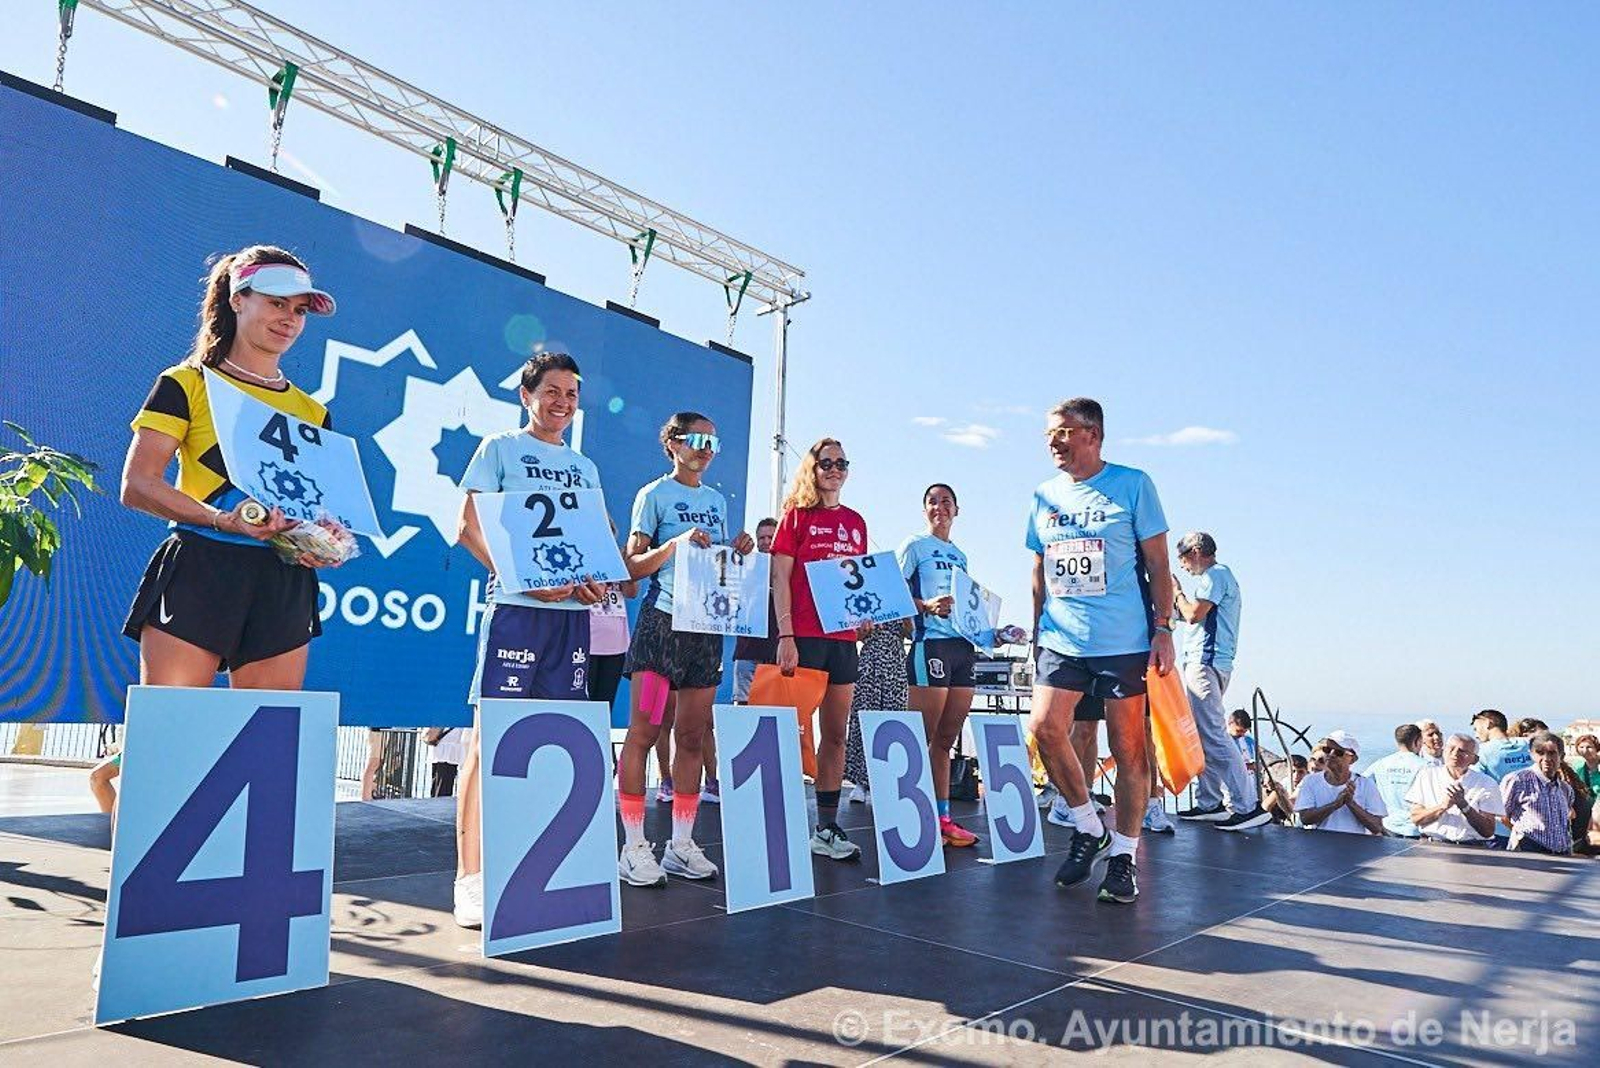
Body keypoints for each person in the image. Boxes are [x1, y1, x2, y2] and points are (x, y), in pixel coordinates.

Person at [121, 246, 343, 691]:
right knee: (172, 735)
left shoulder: (313, 412)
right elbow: (138, 485)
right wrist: (222, 519)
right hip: (202, 565)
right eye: (276, 303)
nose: (289, 319)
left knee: (263, 741)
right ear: (237, 299)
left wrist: (322, 540)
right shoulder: (186, 383)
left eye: (300, 310)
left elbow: (312, 507)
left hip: (283, 580)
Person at [453, 351, 610, 926]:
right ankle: (469, 876)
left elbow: (593, 543)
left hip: (569, 619)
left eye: (571, 393)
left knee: (553, 738)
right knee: (488, 737)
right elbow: (468, 527)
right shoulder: (498, 448)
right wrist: (523, 579)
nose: (562, 402)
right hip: (517, 612)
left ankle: (529, 860)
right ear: (527, 395)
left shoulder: (585, 467)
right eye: (551, 391)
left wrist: (592, 584)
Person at [1026, 398, 1175, 904]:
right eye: (1049, 433)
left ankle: (1124, 858)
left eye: (1063, 432)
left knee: (1128, 749)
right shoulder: (1043, 495)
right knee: (1044, 727)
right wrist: (1034, 632)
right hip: (1061, 637)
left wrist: (1163, 628)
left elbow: (1158, 562)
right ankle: (1089, 826)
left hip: (1123, 640)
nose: (1052, 441)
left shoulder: (1133, 484)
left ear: (1092, 434)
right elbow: (1039, 568)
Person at [614, 412, 754, 886]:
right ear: (673, 443)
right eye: (696, 440)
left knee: (693, 737)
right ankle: (633, 847)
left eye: (714, 442)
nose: (705, 449)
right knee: (645, 732)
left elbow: (716, 565)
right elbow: (631, 568)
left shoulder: (716, 501)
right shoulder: (653, 495)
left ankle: (680, 844)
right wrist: (673, 544)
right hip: (662, 625)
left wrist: (738, 550)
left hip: (706, 628)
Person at [772, 438, 869, 861]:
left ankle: (826, 827)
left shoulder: (857, 522)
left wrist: (866, 616)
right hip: (804, 639)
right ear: (811, 468)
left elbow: (859, 583)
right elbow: (780, 580)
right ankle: (775, 823)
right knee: (790, 736)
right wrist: (787, 636)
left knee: (835, 737)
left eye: (840, 463)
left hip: (843, 641)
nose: (833, 469)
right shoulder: (795, 518)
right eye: (825, 462)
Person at [898, 483, 981, 847]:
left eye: (946, 501)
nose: (940, 507)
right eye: (932, 501)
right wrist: (926, 606)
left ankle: (942, 817)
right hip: (929, 643)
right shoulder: (914, 547)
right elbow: (893, 591)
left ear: (956, 510)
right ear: (924, 509)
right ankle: (907, 816)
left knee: (946, 739)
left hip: (962, 648)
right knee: (920, 736)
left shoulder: (960, 555)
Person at [1170, 531, 1264, 830]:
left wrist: (1177, 592)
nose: (1183, 565)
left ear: (1196, 551)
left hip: (1206, 663)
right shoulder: (1218, 578)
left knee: (1213, 734)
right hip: (1210, 663)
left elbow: (1193, 615)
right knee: (1201, 734)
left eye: (1183, 557)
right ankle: (1210, 802)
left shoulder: (1216, 575)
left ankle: (1248, 807)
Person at [847, 620, 911, 804]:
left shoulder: (902, 598)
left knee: (893, 716)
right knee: (864, 714)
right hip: (870, 658)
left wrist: (907, 620)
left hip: (895, 659)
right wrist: (864, 629)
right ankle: (860, 781)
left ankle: (887, 779)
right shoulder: (867, 596)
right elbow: (855, 635)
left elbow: (910, 633)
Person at [1406, 734, 1505, 845]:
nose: (1455, 754)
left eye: (1462, 751)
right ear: (1444, 751)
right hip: (1432, 845)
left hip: (1471, 848)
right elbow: (1416, 819)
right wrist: (1443, 807)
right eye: (1451, 749)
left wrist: (1464, 806)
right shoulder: (1427, 776)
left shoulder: (1486, 783)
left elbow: (1487, 831)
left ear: (1474, 759)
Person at [1291, 732, 1386, 835]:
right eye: (1327, 750)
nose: (1330, 755)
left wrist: (1351, 804)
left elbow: (1376, 827)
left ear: (1352, 759)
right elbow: (1305, 818)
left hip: (1355, 847)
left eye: (1338, 752)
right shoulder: (1310, 781)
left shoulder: (1366, 785)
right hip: (1320, 845)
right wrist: (1335, 805)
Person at [1501, 731, 1575, 854]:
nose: (1546, 759)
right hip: (1529, 851)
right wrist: (1522, 835)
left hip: (1561, 854)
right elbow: (1502, 815)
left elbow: (1566, 822)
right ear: (1531, 755)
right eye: (1540, 753)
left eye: (1552, 753)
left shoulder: (1565, 789)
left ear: (1561, 756)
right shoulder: (1518, 780)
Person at [732, 518, 780, 703]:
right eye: (762, 538)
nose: (766, 542)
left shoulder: (790, 570)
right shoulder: (743, 565)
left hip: (778, 654)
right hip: (747, 652)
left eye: (771, 537)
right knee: (744, 712)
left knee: (777, 712)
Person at [1472, 709, 1531, 846]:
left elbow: (1474, 786)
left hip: (1500, 829)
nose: (1476, 734)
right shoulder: (1528, 745)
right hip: (1531, 824)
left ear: (1488, 723)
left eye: (1476, 728)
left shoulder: (1483, 752)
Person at [1364, 724, 1428, 837]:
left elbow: (1361, 783)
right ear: (1417, 741)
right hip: (1416, 829)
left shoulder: (1381, 763)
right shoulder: (1426, 766)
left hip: (1388, 826)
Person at [423, 726, 464, 797]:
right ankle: (438, 804)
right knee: (444, 785)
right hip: (449, 754)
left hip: (440, 753)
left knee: (437, 783)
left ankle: (435, 803)